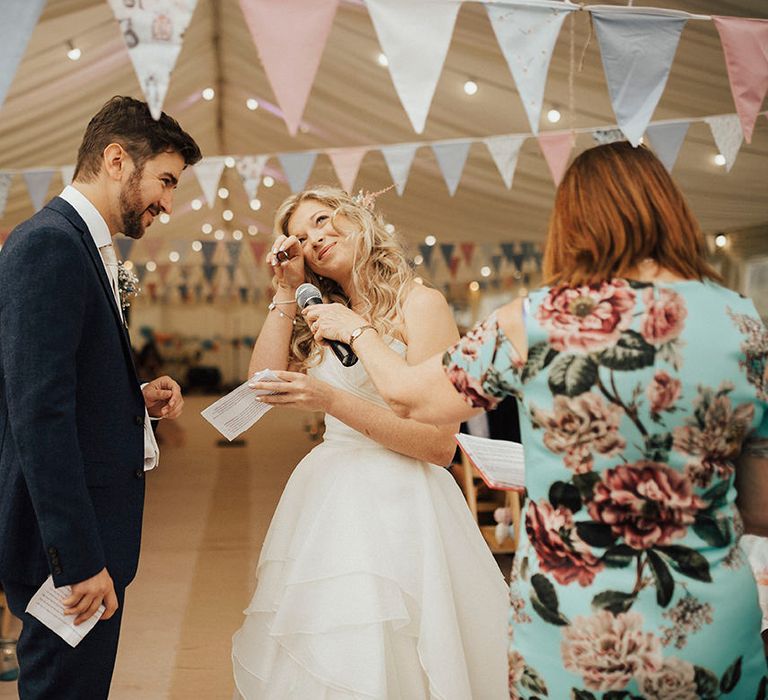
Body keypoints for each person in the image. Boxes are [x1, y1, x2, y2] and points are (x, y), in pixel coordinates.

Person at [304, 142, 768, 697]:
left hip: (574, 618)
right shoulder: (741, 319)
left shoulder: (537, 320)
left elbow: (410, 399)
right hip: (708, 617)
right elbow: (760, 502)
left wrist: (357, 333)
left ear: (571, 226)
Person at [232, 186, 509, 699]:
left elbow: (438, 446)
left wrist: (330, 400)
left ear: (355, 217)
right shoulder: (321, 313)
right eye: (298, 235)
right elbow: (263, 383)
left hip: (405, 503)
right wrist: (287, 289)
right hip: (328, 505)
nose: (313, 238)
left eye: (320, 220)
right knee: (333, 647)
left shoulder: (421, 304)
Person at [0, 95, 201, 699]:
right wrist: (79, 557)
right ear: (117, 160)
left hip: (90, 533)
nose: (168, 202)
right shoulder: (49, 245)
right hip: (65, 543)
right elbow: (39, 411)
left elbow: (61, 378)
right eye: (166, 180)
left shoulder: (86, 246)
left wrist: (133, 395)